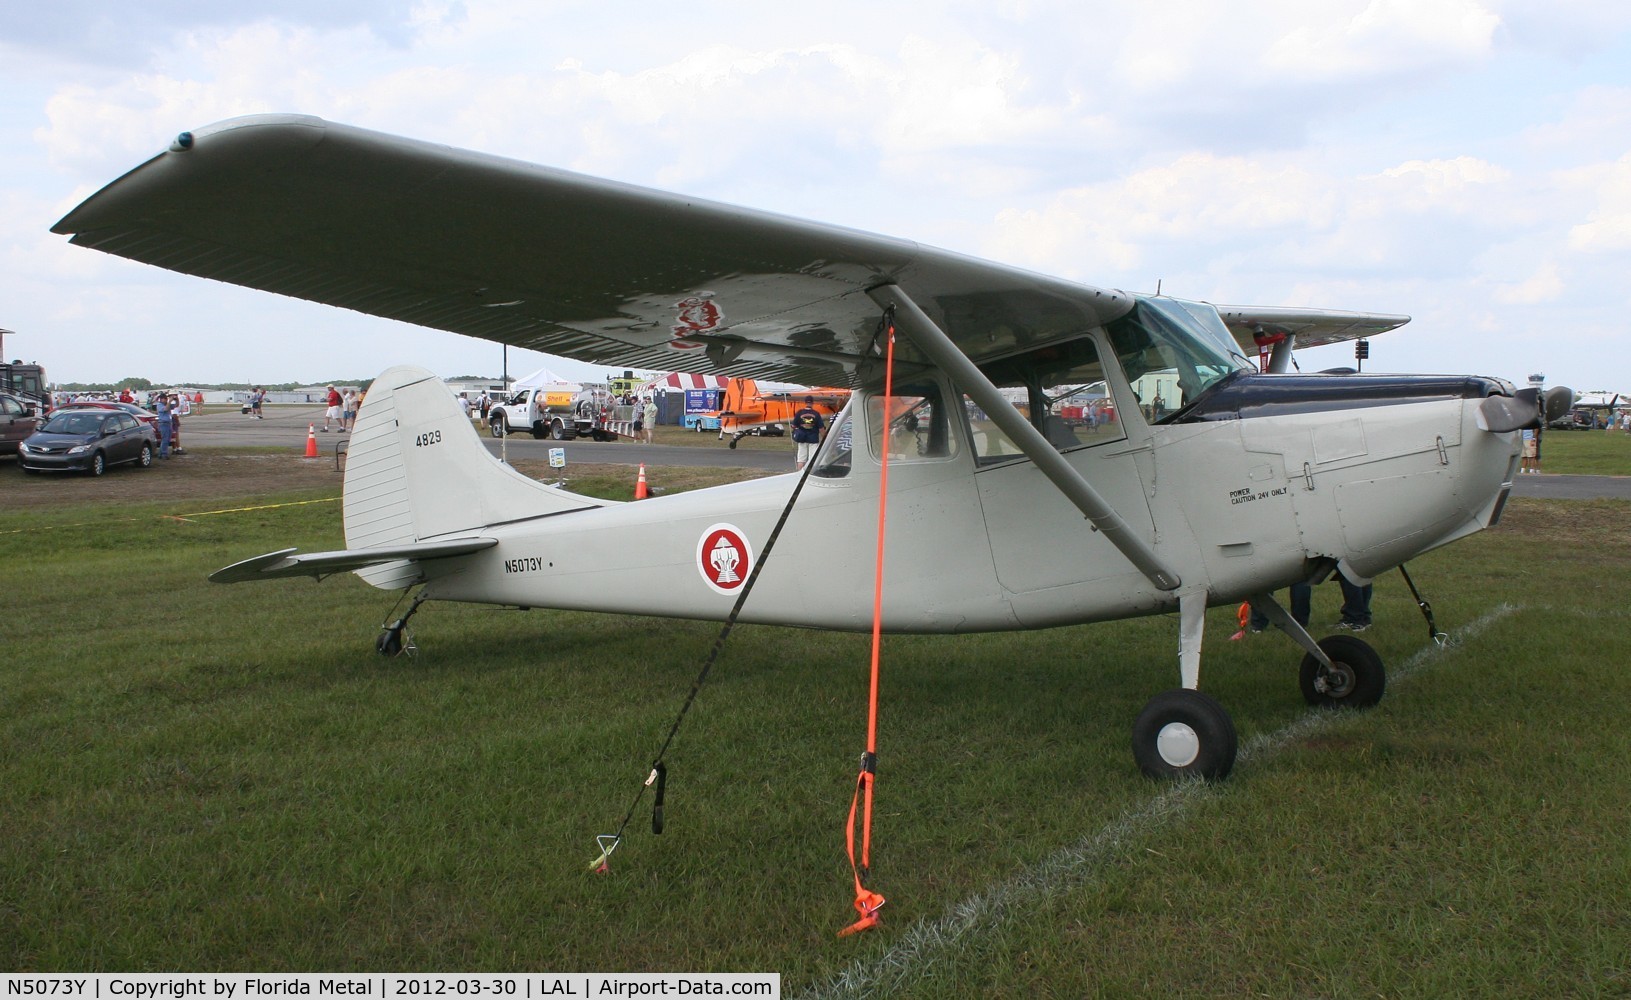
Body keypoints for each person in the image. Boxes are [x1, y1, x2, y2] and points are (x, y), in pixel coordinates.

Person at [790, 396, 825, 469]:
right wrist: (824, 437)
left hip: (802, 438)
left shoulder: (799, 413)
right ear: (812, 403)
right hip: (813, 439)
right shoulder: (816, 414)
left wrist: (797, 430)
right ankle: (810, 475)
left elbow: (793, 426)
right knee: (813, 459)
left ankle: (799, 474)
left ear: (805, 402)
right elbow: (821, 428)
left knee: (801, 459)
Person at [155, 393, 173, 459]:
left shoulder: (167, 404)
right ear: (161, 399)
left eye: (167, 398)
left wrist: (176, 400)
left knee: (167, 440)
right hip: (163, 423)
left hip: (168, 423)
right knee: (165, 439)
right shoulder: (159, 405)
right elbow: (165, 409)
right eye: (165, 398)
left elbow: (176, 405)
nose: (166, 399)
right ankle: (164, 454)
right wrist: (169, 402)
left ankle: (161, 453)